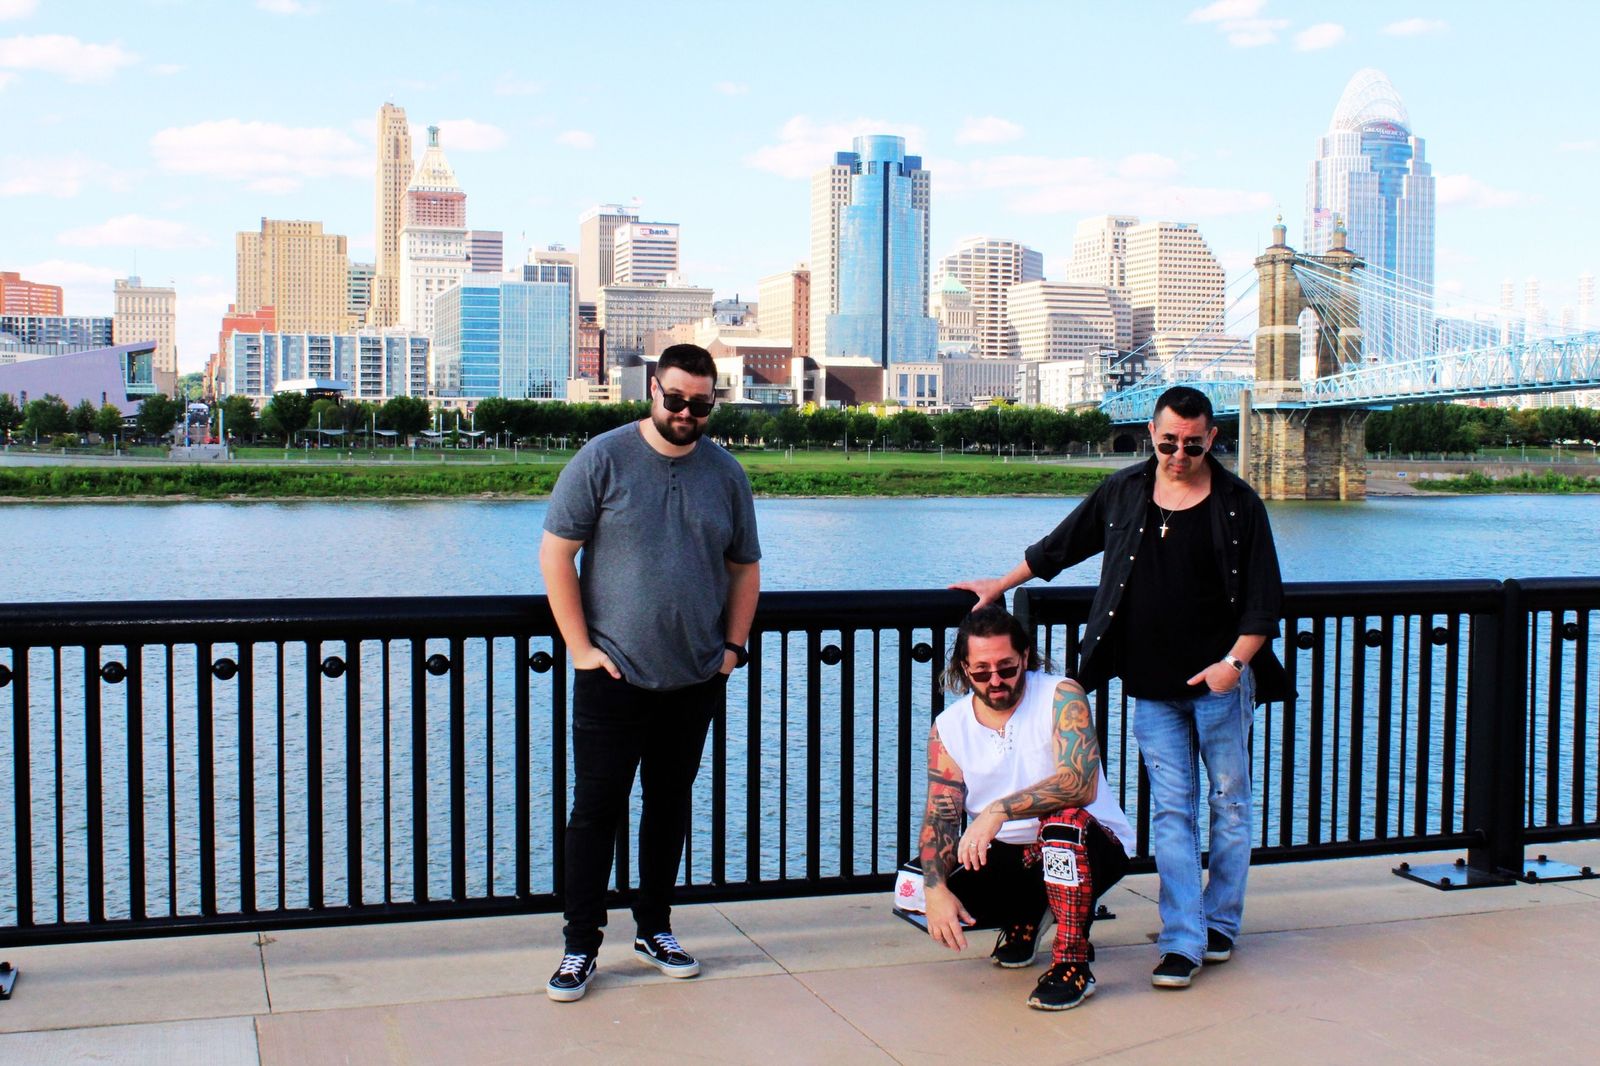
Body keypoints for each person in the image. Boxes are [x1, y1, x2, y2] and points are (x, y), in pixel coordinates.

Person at [953, 385, 1285, 990]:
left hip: (1219, 686)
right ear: (1151, 435)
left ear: (1212, 439)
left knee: (1230, 807)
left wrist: (1233, 665)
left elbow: (1264, 604)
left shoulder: (1239, 504)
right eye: (1168, 443)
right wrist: (1000, 585)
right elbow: (1060, 547)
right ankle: (1183, 938)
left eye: (1192, 445)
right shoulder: (1125, 490)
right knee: (1173, 812)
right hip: (1151, 687)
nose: (1179, 455)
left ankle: (1219, 924)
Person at [540, 343, 761, 1002]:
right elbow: (556, 554)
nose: (687, 413)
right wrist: (581, 649)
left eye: (701, 403)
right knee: (595, 812)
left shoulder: (726, 473)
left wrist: (732, 649)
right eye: (677, 399)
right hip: (612, 676)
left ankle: (654, 929)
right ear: (653, 391)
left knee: (668, 808)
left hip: (695, 678)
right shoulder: (603, 458)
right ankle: (580, 946)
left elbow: (745, 568)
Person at [916, 605, 1132, 1011]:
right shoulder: (949, 726)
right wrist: (934, 889)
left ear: (1026, 657)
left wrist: (999, 810)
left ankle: (1071, 963)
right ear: (964, 668)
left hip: (1090, 845)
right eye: (982, 672)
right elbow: (941, 815)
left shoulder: (1060, 695)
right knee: (914, 890)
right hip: (1013, 854)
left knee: (1062, 826)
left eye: (1006, 668)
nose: (995, 680)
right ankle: (1027, 915)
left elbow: (1079, 783)